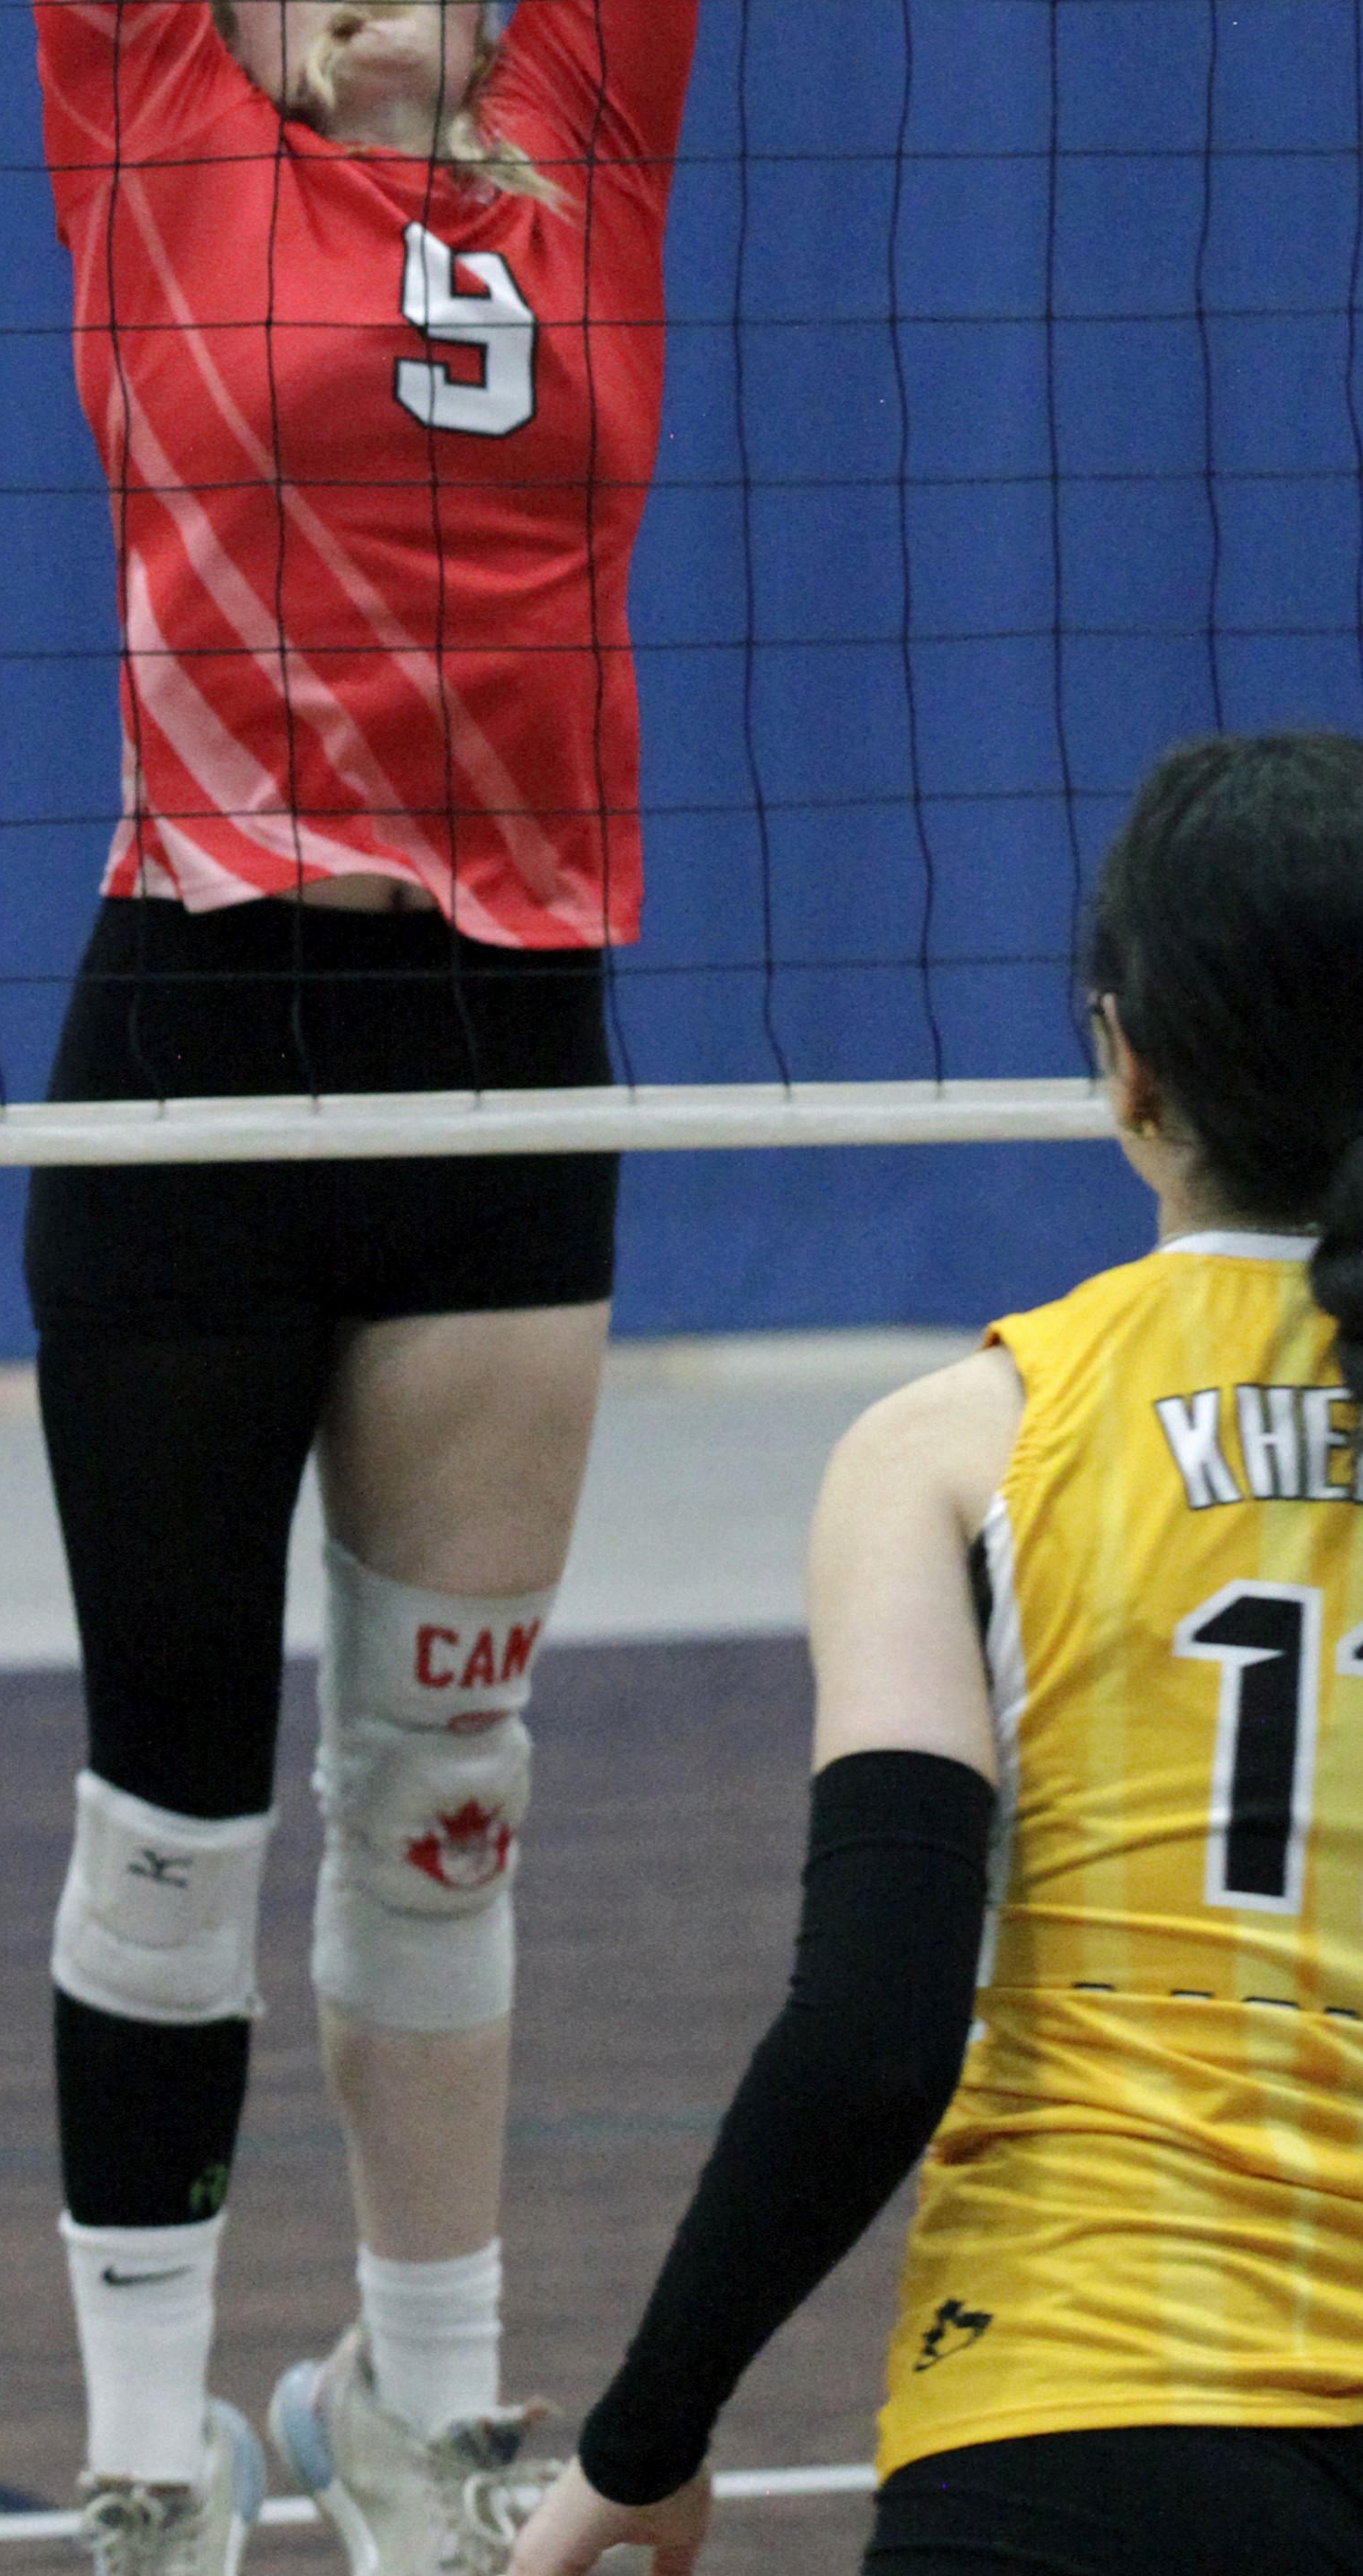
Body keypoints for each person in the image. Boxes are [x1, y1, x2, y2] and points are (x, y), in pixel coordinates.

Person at [0, 0, 712, 2576]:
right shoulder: (155, 146)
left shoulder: (577, 158)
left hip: (508, 1039)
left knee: (442, 1808)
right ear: (214, 13)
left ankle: (426, 2411)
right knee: (170, 1805)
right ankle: (139, 2463)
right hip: (207, 1025)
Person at [511, 727, 1363, 2576]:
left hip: (1092, 2409)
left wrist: (648, 2433)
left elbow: (872, 2040)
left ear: (1126, 1060)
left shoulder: (963, 1444)